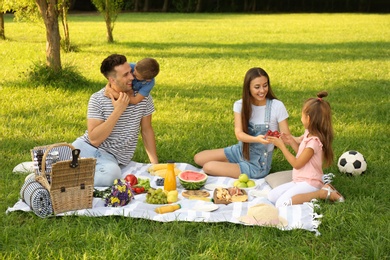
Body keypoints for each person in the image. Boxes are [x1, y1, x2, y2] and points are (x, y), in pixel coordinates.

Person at [73, 54, 158, 187]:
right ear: (112, 80)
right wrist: (118, 110)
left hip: (110, 158)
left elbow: (147, 130)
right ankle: (62, 176)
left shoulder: (143, 98)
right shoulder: (98, 98)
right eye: (125, 75)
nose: (132, 77)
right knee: (53, 160)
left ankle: (65, 178)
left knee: (111, 177)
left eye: (130, 72)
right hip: (86, 147)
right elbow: (94, 139)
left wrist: (155, 165)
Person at [194, 67, 291, 179]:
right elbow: (239, 134)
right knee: (198, 158)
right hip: (240, 151)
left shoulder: (277, 106)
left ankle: (235, 167)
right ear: (248, 88)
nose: (262, 90)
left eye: (265, 85)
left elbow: (285, 137)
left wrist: (300, 140)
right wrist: (256, 139)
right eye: (257, 87)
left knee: (208, 167)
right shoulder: (240, 105)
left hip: (257, 165)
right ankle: (234, 166)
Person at [267, 91, 345, 207]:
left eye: (302, 115)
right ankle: (326, 188)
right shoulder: (308, 133)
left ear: (308, 118)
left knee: (281, 204)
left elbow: (297, 164)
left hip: (310, 183)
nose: (301, 118)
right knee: (271, 196)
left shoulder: (314, 143)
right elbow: (301, 153)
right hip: (299, 180)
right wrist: (290, 141)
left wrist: (282, 146)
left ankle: (321, 193)